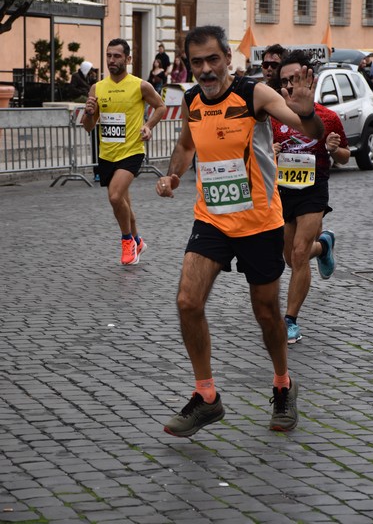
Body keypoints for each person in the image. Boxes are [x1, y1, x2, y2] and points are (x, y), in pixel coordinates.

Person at [156, 25, 325, 437]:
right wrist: (173, 174)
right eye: (197, 62)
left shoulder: (255, 95)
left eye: (213, 59)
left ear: (228, 57)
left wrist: (306, 111)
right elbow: (185, 145)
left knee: (267, 313)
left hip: (259, 223)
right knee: (187, 300)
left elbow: (309, 132)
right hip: (212, 217)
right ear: (188, 65)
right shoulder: (193, 99)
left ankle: (283, 385)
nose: (206, 69)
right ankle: (206, 397)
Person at [272, 50, 350, 344]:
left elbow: (344, 156)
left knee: (299, 253)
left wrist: (333, 149)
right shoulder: (273, 117)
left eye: (295, 79)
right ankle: (325, 244)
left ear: (308, 79)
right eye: (284, 81)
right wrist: (272, 153)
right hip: (284, 191)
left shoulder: (328, 117)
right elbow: (260, 154)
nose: (290, 86)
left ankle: (290, 320)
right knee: (291, 258)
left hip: (314, 191)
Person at [82, 38, 166, 265]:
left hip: (132, 151)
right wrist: (89, 113)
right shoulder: (97, 87)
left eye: (117, 56)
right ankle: (138, 240)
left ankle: (127, 240)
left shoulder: (140, 85)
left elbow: (160, 106)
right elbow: (89, 126)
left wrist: (148, 126)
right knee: (123, 202)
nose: (112, 60)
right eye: (109, 55)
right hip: (107, 153)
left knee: (115, 196)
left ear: (128, 59)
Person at [69, 61, 100, 181]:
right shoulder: (76, 76)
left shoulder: (89, 78)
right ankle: (97, 171)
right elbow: (73, 89)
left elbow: (94, 87)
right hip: (81, 98)